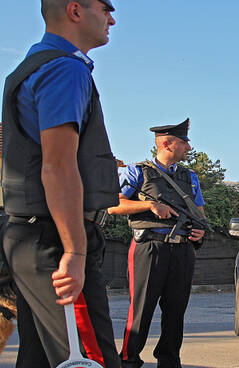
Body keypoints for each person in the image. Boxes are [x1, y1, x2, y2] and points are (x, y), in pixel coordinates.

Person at [1, 0, 121, 367]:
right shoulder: (65, 70)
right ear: (75, 10)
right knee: (88, 360)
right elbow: (58, 166)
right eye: (105, 8)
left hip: (30, 236)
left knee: (38, 357)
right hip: (54, 241)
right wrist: (75, 252)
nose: (112, 19)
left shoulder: (29, 68)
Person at [109, 118, 206, 368]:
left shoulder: (190, 177)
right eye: (184, 141)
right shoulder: (136, 172)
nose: (189, 146)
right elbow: (114, 205)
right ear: (166, 143)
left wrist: (199, 233)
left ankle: (169, 361)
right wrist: (150, 205)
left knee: (176, 312)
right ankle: (129, 361)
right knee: (141, 309)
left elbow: (200, 214)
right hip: (149, 248)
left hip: (182, 249)